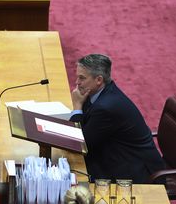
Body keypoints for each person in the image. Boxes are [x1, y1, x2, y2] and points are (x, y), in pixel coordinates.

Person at [69, 54, 164, 183]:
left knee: (73, 174)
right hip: (115, 151)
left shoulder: (105, 107)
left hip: (135, 171)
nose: (77, 82)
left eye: (82, 78)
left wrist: (77, 106)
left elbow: (80, 144)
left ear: (98, 80)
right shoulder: (98, 91)